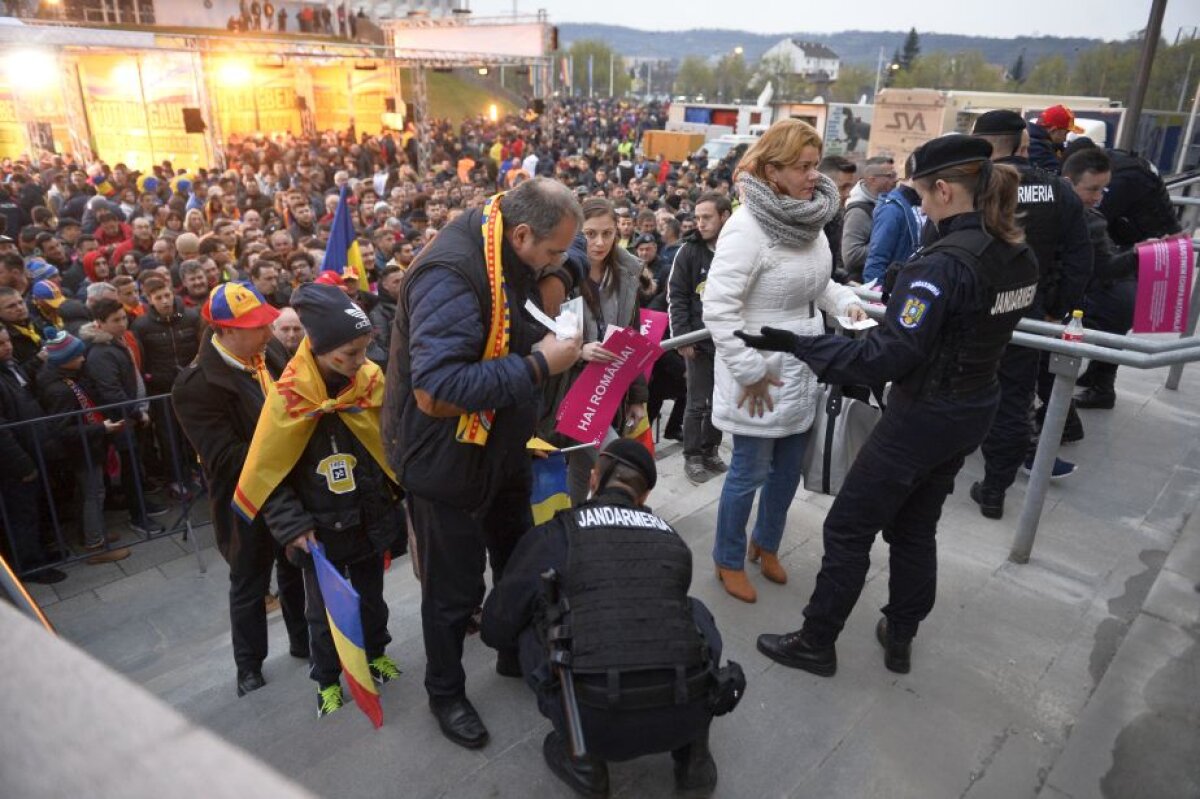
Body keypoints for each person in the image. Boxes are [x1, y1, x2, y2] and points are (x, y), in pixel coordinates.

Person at [743, 134, 1039, 677]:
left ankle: (816, 640)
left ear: (945, 191)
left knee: (848, 529)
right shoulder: (1015, 251)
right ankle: (901, 632)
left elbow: (885, 357)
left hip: (923, 415)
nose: (921, 207)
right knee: (915, 527)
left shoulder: (943, 265)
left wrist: (800, 344)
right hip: (973, 406)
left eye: (923, 196)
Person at [382, 177, 582, 749]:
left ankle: (514, 654)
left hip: (502, 445)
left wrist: (556, 276)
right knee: (452, 592)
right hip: (444, 458)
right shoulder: (452, 272)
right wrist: (540, 365)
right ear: (520, 234)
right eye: (550, 253)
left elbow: (562, 267)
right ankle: (445, 691)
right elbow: (437, 389)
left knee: (518, 559)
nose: (558, 263)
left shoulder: (506, 238)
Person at [481, 439, 742, 798]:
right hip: (687, 710)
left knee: (529, 617)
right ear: (644, 496)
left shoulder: (555, 534)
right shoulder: (672, 539)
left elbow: (497, 626)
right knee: (692, 612)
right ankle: (693, 759)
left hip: (593, 723)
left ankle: (584, 764)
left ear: (593, 480)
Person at [703, 119, 864, 604]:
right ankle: (728, 557)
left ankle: (765, 543)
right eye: (803, 167)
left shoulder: (807, 220)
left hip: (804, 364)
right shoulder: (745, 228)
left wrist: (844, 304)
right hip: (759, 372)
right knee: (748, 471)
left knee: (789, 470)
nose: (815, 176)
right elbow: (718, 307)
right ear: (772, 170)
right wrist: (750, 371)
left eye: (816, 165)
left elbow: (818, 282)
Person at [235, 282, 402, 717]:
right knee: (322, 614)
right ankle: (327, 678)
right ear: (318, 347)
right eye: (348, 355)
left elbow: (385, 445)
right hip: (319, 533)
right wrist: (293, 527)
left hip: (366, 520)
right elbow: (270, 473)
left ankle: (375, 653)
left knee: (372, 598)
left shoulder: (368, 381)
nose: (358, 363)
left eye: (364, 351)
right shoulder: (289, 398)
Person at [171, 283, 308, 698]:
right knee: (249, 582)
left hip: (289, 486)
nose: (268, 332)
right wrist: (288, 440)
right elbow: (224, 456)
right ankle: (249, 666)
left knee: (295, 569)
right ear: (225, 331)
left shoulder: (271, 354)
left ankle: (304, 642)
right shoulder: (195, 385)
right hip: (244, 500)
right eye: (255, 327)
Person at [969, 110, 1092, 519]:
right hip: (1028, 313)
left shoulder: (972, 185)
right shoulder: (1058, 189)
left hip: (971, 312)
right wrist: (1057, 310)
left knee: (951, 388)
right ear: (1023, 143)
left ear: (984, 145)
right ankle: (994, 490)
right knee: (1014, 400)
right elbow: (1080, 257)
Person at [547, 198, 647, 504]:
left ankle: (578, 520)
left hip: (610, 388)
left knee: (581, 466)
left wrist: (637, 396)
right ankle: (611, 521)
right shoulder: (559, 274)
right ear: (577, 234)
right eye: (591, 234)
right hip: (570, 389)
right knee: (619, 461)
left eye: (607, 233)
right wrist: (578, 351)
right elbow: (540, 333)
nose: (600, 242)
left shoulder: (626, 274)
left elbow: (633, 336)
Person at [36, 327, 131, 566]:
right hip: (81, 450)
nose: (83, 359)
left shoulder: (64, 378)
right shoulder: (59, 390)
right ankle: (95, 545)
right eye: (77, 356)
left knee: (87, 493)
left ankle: (89, 533)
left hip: (86, 447)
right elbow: (63, 430)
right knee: (93, 494)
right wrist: (102, 429)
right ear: (65, 360)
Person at [1060, 148, 1137, 410]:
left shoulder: (1090, 220)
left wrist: (1140, 253)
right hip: (1098, 299)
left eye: (1102, 190)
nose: (1097, 198)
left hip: (1096, 302)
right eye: (1092, 189)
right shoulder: (1081, 218)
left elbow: (1106, 267)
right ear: (1069, 183)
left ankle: (1067, 421)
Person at [667, 191, 732, 484]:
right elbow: (677, 296)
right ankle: (692, 455)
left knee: (721, 401)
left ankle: (711, 449)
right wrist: (682, 337)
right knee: (697, 403)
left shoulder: (736, 249)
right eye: (697, 217)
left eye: (707, 217)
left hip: (728, 342)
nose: (700, 223)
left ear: (725, 217)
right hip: (699, 342)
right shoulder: (689, 251)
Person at [861, 157, 925, 285]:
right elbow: (876, 260)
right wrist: (876, 299)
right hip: (891, 292)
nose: (895, 179)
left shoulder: (920, 203)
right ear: (917, 176)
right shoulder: (892, 210)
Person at [840, 156, 897, 282]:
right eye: (890, 175)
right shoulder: (858, 211)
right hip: (863, 285)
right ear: (873, 180)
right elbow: (851, 256)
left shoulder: (887, 204)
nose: (896, 180)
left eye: (895, 174)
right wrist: (887, 244)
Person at [817, 155, 856, 280]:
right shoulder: (808, 223)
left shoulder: (837, 218)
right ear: (824, 185)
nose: (848, 194)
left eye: (850, 187)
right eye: (843, 187)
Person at [1027, 105, 1083, 175]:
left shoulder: (1037, 141)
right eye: (1065, 134)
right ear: (1053, 130)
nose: (1064, 139)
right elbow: (1059, 176)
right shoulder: (1037, 149)